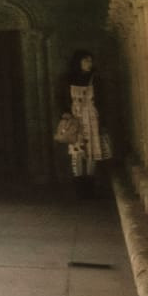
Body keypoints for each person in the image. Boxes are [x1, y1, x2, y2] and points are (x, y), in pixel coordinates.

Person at [59, 50, 106, 197]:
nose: (89, 64)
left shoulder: (95, 79)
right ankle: (79, 186)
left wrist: (102, 119)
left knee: (92, 151)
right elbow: (60, 98)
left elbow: (103, 100)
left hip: (92, 118)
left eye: (90, 61)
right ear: (78, 62)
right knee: (77, 152)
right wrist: (65, 113)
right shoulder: (68, 79)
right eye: (85, 61)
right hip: (75, 118)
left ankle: (90, 186)